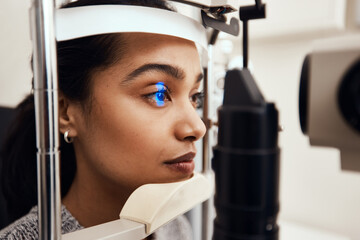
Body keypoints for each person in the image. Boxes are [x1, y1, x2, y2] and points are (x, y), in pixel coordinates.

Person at [0, 0, 206, 239]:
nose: (197, 127)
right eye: (158, 94)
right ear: (64, 112)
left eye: (195, 97)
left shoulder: (176, 228)